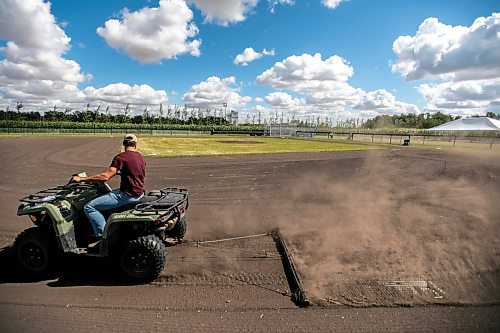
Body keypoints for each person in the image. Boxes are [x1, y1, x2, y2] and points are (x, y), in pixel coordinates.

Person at [71, 134, 146, 249]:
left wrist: (81, 179)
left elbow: (105, 176)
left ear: (123, 144)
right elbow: (134, 172)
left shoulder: (121, 158)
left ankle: (103, 238)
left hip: (126, 195)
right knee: (108, 194)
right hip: (139, 193)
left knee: (89, 207)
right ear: (135, 144)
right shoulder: (140, 157)